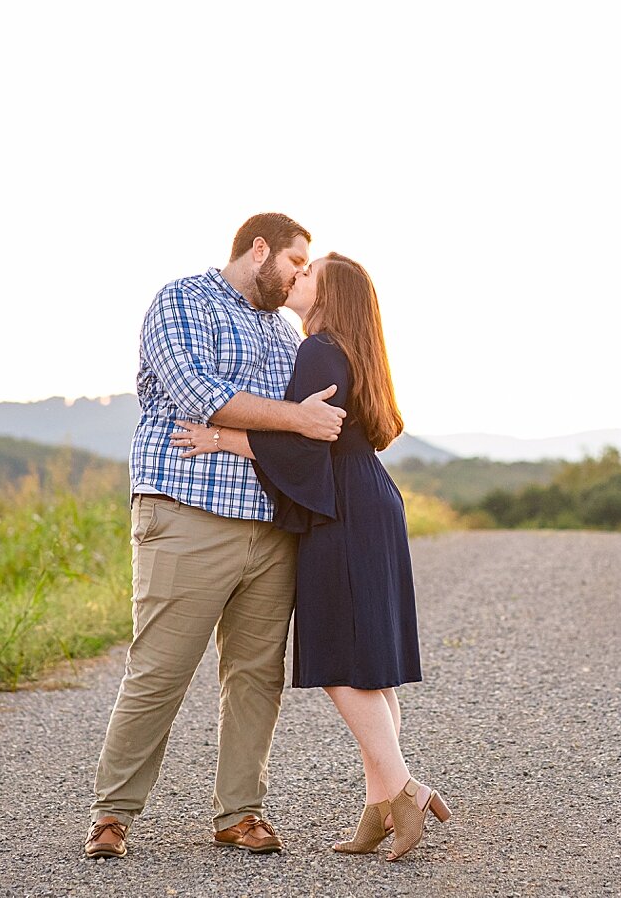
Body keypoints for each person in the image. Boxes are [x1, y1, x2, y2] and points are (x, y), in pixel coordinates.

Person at [171, 253, 452, 862]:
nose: (295, 278)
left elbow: (302, 447)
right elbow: (310, 438)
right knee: (369, 664)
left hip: (343, 508)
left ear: (329, 294)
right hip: (368, 498)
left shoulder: (319, 349)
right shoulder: (354, 349)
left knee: (338, 662)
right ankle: (380, 807)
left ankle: (403, 791)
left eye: (307, 273)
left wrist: (218, 437)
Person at [83, 214, 346, 861]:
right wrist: (297, 420)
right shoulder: (182, 301)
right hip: (187, 512)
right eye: (295, 261)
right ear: (259, 249)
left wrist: (297, 428)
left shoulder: (286, 335)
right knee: (160, 669)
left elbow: (300, 436)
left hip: (269, 526)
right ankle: (111, 815)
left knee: (257, 676)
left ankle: (239, 814)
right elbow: (199, 394)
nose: (300, 276)